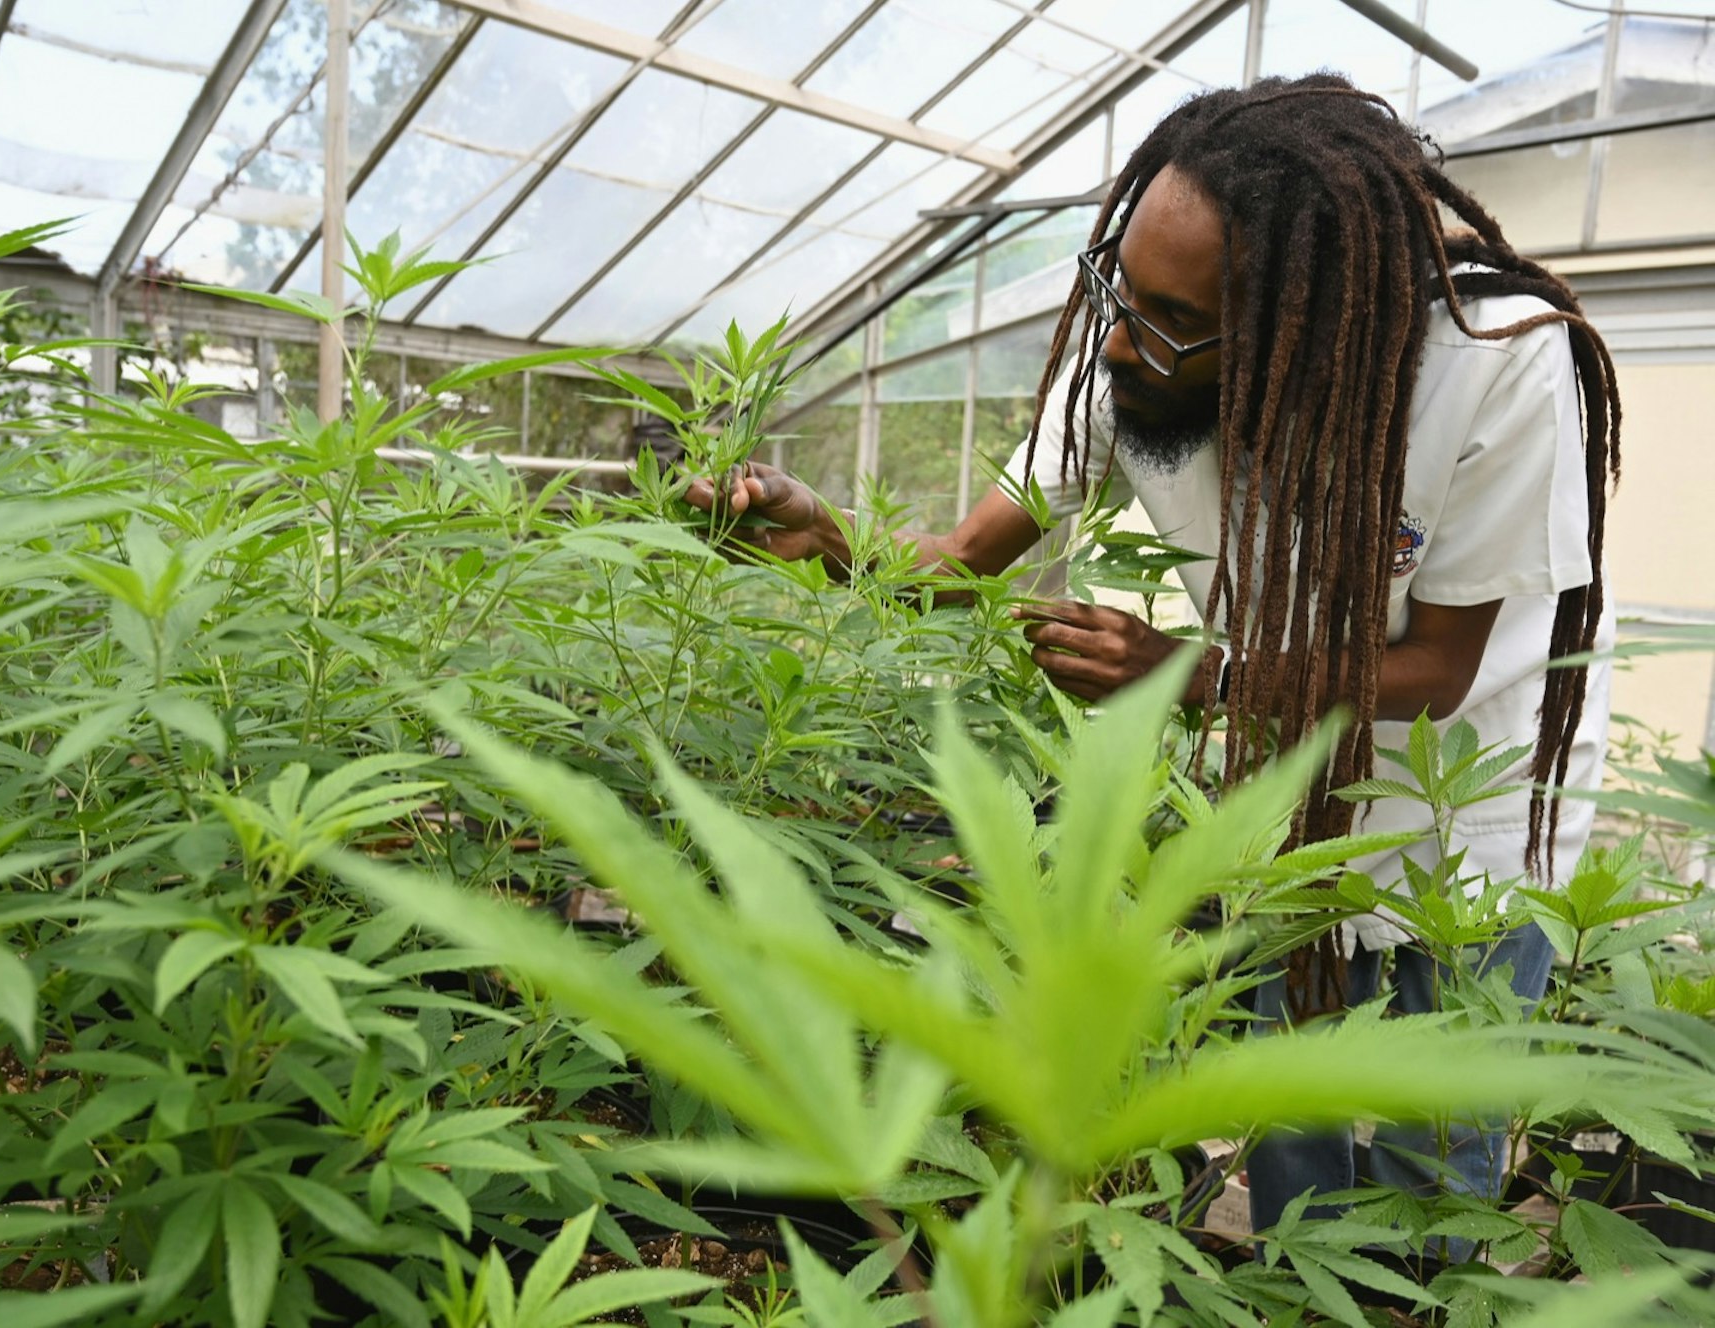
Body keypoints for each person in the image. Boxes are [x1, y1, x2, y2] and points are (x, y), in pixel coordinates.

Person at [687, 73, 1620, 1240]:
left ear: (1305, 329)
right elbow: (967, 554)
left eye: (1170, 317)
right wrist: (827, 538)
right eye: (1118, 291)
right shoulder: (1137, 345)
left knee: (1442, 1169)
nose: (1121, 337)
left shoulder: (1495, 365)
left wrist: (1191, 677)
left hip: (1465, 807)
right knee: (1292, 1133)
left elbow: (1442, 665)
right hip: (1295, 804)